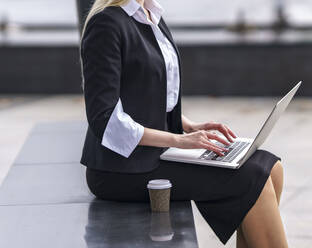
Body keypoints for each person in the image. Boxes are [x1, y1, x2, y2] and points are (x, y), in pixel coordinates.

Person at [80, 0, 288, 247]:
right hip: (120, 169)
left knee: (271, 168)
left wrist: (189, 125)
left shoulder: (151, 15)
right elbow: (104, 119)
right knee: (253, 177)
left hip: (153, 154)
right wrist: (179, 140)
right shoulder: (106, 23)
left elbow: (149, 96)